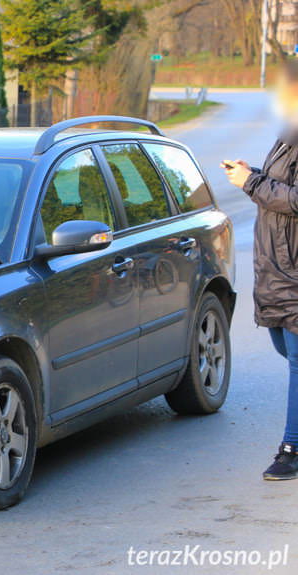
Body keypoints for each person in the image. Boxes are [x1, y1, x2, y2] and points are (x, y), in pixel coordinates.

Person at [223, 59, 298, 480]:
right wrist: (252, 173)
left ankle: (291, 450)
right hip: (274, 263)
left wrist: (251, 183)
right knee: (283, 348)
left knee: (296, 360)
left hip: (294, 264)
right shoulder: (288, 135)